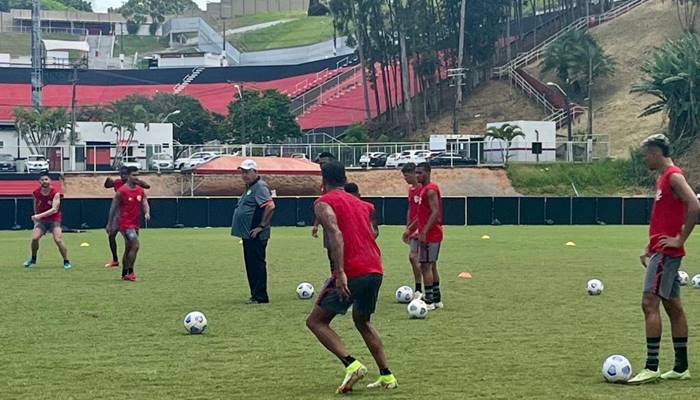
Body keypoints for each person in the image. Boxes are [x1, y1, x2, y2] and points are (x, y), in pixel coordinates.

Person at [306, 161, 397, 394]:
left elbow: (336, 233)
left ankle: (351, 364)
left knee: (316, 321)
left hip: (353, 270)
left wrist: (340, 272)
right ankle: (387, 376)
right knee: (362, 320)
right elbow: (372, 232)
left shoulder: (323, 202)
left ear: (322, 180)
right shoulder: (363, 205)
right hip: (375, 269)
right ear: (345, 179)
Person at [628, 134, 699, 384]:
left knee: (649, 303)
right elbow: (665, 217)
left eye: (646, 154)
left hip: (667, 254)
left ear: (657, 153)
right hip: (661, 249)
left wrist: (680, 239)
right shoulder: (662, 178)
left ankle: (651, 366)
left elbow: (695, 205)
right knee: (673, 306)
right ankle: (681, 368)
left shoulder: (674, 176)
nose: (644, 158)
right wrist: (650, 245)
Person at [231, 159, 276, 304]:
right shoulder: (250, 187)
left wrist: (261, 226)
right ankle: (255, 294)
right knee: (251, 265)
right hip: (248, 234)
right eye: (242, 172)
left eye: (247, 172)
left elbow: (270, 206)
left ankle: (260, 296)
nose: (244, 175)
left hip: (256, 234)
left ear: (255, 172)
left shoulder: (260, 187)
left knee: (256, 264)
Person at [107, 166, 150, 282]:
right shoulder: (122, 191)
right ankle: (131, 272)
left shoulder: (140, 190)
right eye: (134, 175)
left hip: (135, 223)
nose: (136, 177)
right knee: (135, 245)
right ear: (129, 176)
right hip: (125, 224)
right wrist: (110, 224)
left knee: (128, 248)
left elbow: (144, 201)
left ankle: (124, 273)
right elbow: (113, 207)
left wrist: (147, 212)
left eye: (137, 175)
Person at [23, 172, 71, 269]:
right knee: (34, 238)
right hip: (42, 221)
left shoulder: (55, 193)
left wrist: (38, 216)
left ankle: (66, 261)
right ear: (39, 181)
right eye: (42, 180)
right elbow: (35, 205)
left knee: (58, 240)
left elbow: (54, 209)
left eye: (46, 179)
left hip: (54, 220)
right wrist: (37, 219)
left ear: (50, 181)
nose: (44, 181)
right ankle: (33, 258)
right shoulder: (36, 193)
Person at [415, 162, 443, 310]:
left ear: (427, 172)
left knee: (425, 266)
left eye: (420, 173)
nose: (417, 175)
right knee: (431, 265)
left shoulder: (430, 190)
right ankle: (437, 299)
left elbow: (435, 212)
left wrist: (424, 232)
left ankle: (429, 300)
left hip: (431, 234)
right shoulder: (424, 189)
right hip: (431, 233)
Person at [400, 163, 423, 300]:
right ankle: (420, 289)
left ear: (414, 174)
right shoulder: (411, 189)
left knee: (414, 257)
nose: (405, 179)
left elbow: (422, 213)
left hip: (421, 228)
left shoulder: (422, 189)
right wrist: (407, 226)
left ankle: (421, 289)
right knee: (416, 258)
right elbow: (411, 208)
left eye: (406, 176)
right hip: (413, 228)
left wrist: (410, 229)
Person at [312, 152, 337, 272]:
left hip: (338, 222)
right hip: (327, 224)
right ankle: (335, 277)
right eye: (320, 164)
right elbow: (322, 204)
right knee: (330, 251)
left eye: (324, 163)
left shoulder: (339, 181)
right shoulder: (324, 182)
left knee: (338, 250)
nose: (321, 166)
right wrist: (316, 224)